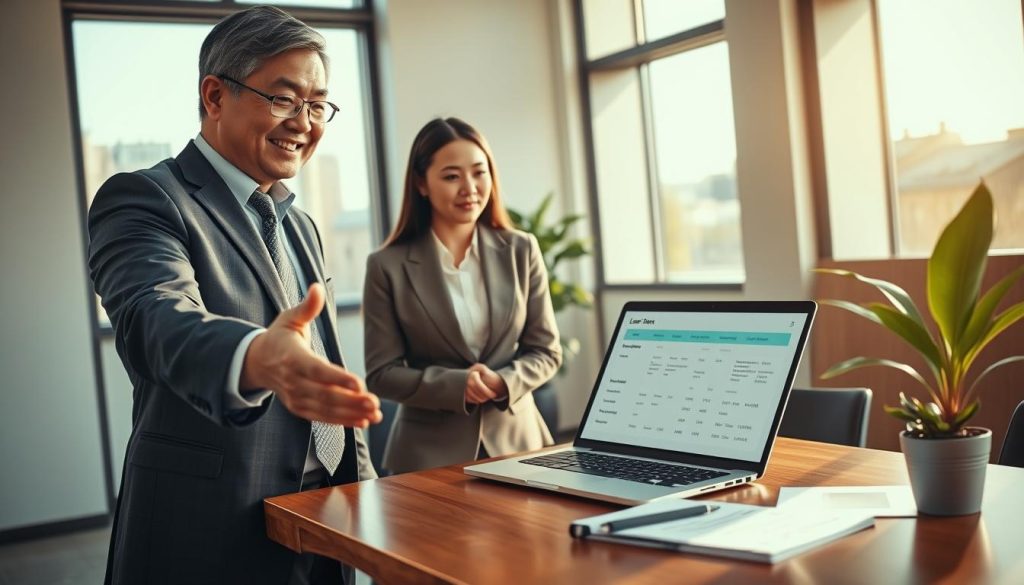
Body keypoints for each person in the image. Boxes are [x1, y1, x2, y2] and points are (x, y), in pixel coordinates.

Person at [87, 6, 382, 584]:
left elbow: (323, 365)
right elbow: (157, 321)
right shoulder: (145, 198)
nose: (304, 121)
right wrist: (254, 357)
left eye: (318, 104)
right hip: (210, 529)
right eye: (283, 98)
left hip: (324, 522)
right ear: (215, 96)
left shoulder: (299, 223)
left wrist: (366, 494)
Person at [362, 117, 562, 474]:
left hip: (519, 447)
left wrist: (504, 382)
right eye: (452, 176)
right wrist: (456, 386)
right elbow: (381, 373)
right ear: (422, 184)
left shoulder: (521, 249)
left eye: (479, 172)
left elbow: (546, 351)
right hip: (427, 459)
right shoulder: (386, 266)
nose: (469, 188)